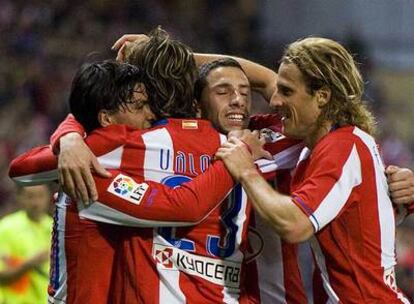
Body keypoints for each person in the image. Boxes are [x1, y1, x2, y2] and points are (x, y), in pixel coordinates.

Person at [10, 31, 270, 303]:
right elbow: (270, 82)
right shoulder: (257, 142)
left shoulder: (122, 146)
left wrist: (72, 135)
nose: (145, 113)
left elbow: (24, 170)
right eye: (137, 105)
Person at [215, 37, 411, 303]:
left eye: (286, 91)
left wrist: (246, 170)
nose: (274, 100)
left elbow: (295, 225)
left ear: (322, 96)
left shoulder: (342, 146)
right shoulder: (330, 146)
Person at [0, 185, 52, 304]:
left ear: (48, 197)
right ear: (19, 198)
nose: (36, 202)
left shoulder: (54, 227)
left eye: (40, 196)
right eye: (30, 196)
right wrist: (29, 264)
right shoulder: (6, 228)